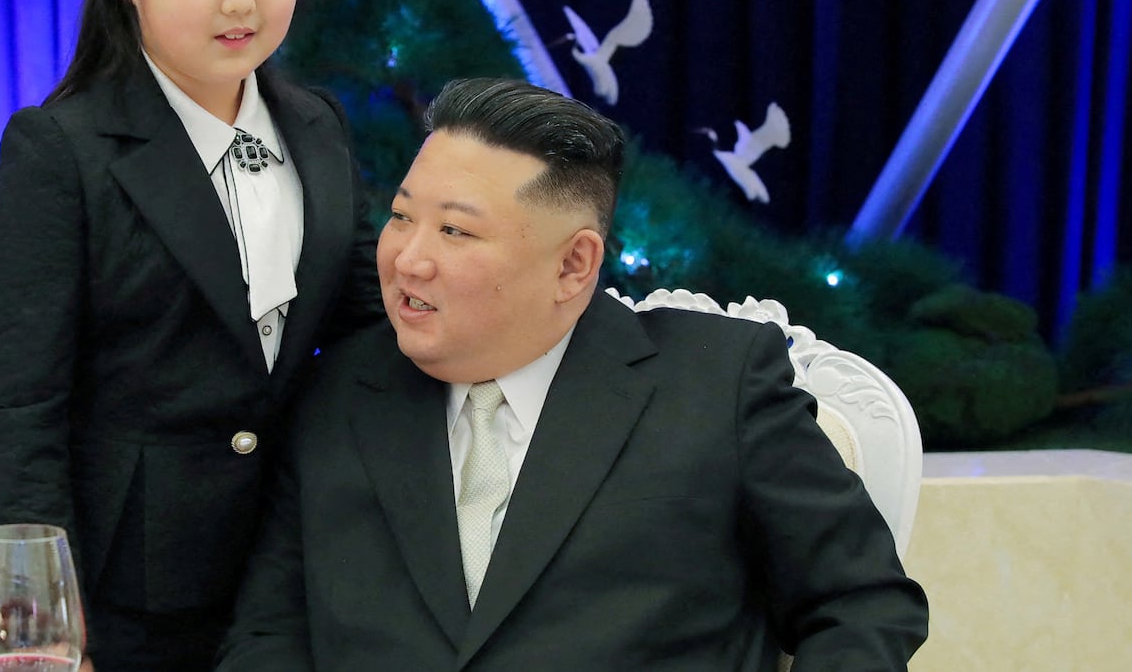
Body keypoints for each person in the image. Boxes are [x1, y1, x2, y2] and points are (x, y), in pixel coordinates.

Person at [217, 78, 928, 670]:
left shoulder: (716, 383)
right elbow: (269, 633)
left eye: (455, 231)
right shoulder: (339, 391)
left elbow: (861, 604)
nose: (408, 259)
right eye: (403, 218)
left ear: (573, 265)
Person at [0, 0, 382, 672]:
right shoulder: (59, 149)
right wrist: (35, 609)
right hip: (125, 594)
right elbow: (19, 404)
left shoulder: (317, 127)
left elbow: (365, 326)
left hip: (294, 569)